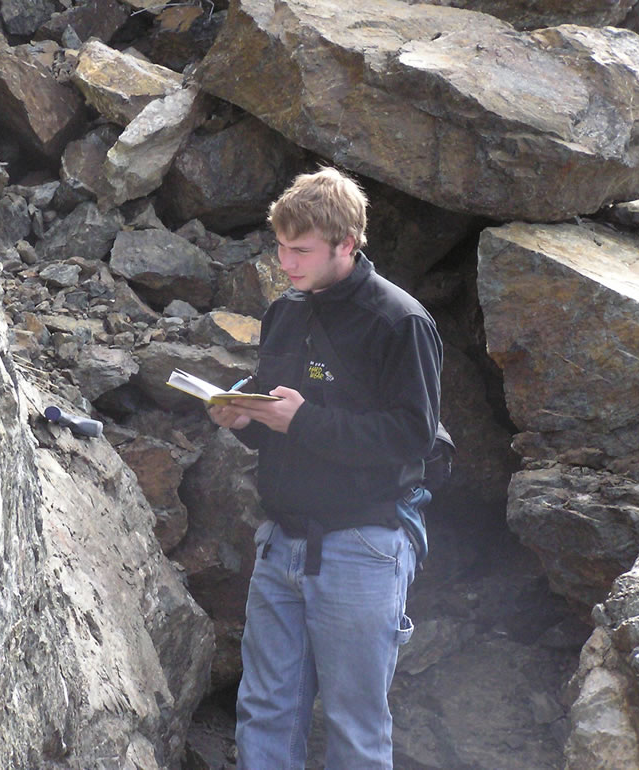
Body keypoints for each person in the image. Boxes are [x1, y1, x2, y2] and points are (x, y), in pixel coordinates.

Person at [209, 167, 444, 769]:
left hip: (362, 544)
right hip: (280, 540)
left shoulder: (400, 321)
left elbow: (413, 435)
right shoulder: (286, 312)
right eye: (281, 247)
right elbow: (277, 407)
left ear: (347, 243)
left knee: (354, 726)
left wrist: (303, 421)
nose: (286, 263)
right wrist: (246, 411)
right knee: (265, 709)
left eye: (301, 250)